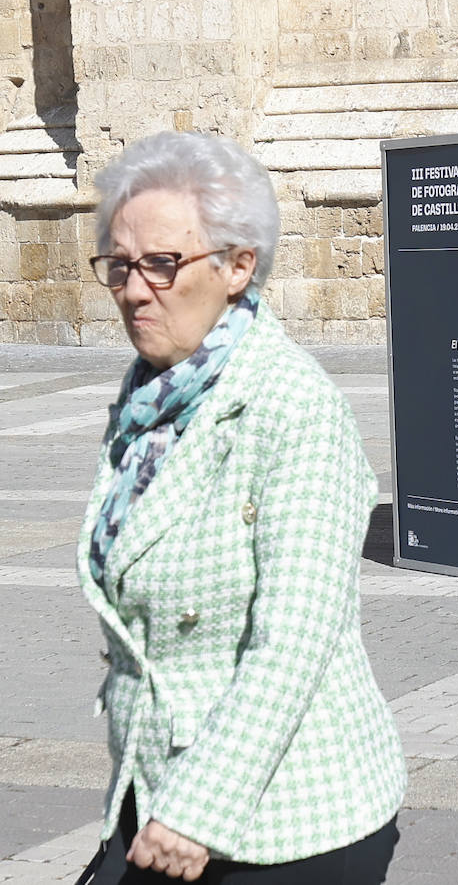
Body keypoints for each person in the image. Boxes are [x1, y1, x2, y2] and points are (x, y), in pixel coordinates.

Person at [75, 132, 407, 883]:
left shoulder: (294, 408)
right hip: (154, 791)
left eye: (162, 263)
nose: (134, 289)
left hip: (284, 820)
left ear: (238, 265)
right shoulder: (150, 400)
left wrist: (197, 807)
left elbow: (293, 642)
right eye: (121, 265)